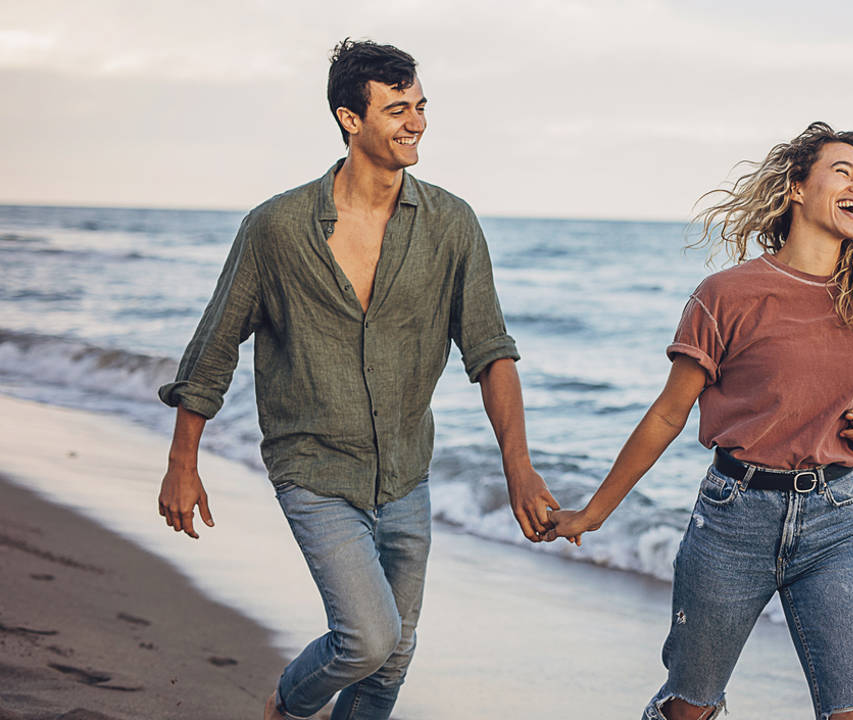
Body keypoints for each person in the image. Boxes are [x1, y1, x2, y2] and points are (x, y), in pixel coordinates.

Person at [155, 39, 562, 720]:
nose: (417, 123)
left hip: (406, 474)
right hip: (314, 468)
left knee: (392, 662)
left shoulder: (451, 224)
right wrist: (181, 463)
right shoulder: (277, 229)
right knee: (369, 639)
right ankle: (285, 706)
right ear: (351, 118)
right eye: (397, 108)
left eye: (421, 106)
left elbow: (491, 352)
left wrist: (519, 468)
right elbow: (215, 344)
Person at [546, 122, 853, 720]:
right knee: (691, 707)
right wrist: (594, 511)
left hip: (837, 522)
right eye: (843, 172)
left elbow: (838, 397)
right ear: (796, 186)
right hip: (735, 518)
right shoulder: (727, 294)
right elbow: (668, 413)